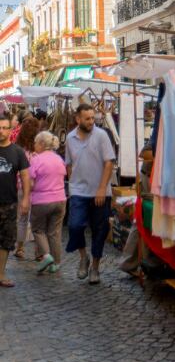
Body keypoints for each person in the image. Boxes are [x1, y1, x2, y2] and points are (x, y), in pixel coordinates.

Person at [65, 103, 116, 285]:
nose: (91, 122)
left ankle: (95, 267)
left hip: (100, 191)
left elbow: (109, 163)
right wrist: (72, 186)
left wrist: (102, 188)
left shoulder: (101, 135)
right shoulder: (70, 138)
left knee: (100, 230)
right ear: (78, 119)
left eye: (93, 118)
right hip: (79, 191)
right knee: (75, 226)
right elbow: (69, 164)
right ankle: (83, 256)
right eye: (87, 118)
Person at [26, 131, 66, 275]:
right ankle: (56, 263)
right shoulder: (59, 159)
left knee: (38, 230)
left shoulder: (36, 159)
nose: (35, 145)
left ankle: (46, 256)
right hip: (60, 199)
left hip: (41, 200)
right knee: (54, 232)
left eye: (36, 143)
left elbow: (30, 182)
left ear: (42, 144)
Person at [0, 113, 29, 287]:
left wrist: (26, 199)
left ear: (11, 130)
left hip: (9, 203)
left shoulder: (17, 152)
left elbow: (25, 177)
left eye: (4, 128)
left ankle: (1, 274)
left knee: (5, 240)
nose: (1, 131)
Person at [11, 115, 38, 260]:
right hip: (38, 188)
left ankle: (20, 248)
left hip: (20, 186)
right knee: (36, 219)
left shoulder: (17, 148)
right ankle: (39, 250)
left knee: (21, 218)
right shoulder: (39, 148)